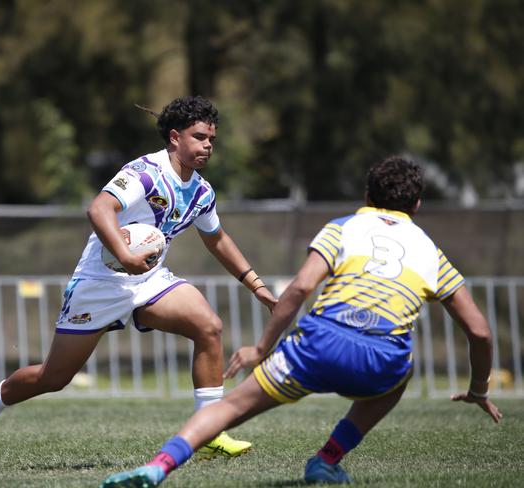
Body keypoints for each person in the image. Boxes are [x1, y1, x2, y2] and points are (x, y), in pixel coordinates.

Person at [100, 155, 503, 487]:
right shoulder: (430, 251)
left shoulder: (343, 228)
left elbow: (297, 290)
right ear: (417, 206)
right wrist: (479, 389)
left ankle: (159, 467)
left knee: (229, 408)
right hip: (382, 359)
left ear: (367, 195)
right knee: (401, 374)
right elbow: (480, 332)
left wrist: (261, 349)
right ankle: (327, 460)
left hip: (318, 346)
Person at [0, 96, 277, 459]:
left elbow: (217, 239)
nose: (207, 146)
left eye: (211, 140)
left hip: (149, 281)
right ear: (175, 137)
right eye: (200, 137)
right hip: (100, 283)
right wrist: (125, 255)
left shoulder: (201, 192)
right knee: (54, 378)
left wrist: (257, 285)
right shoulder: (144, 173)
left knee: (209, 326)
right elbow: (99, 208)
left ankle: (209, 432)